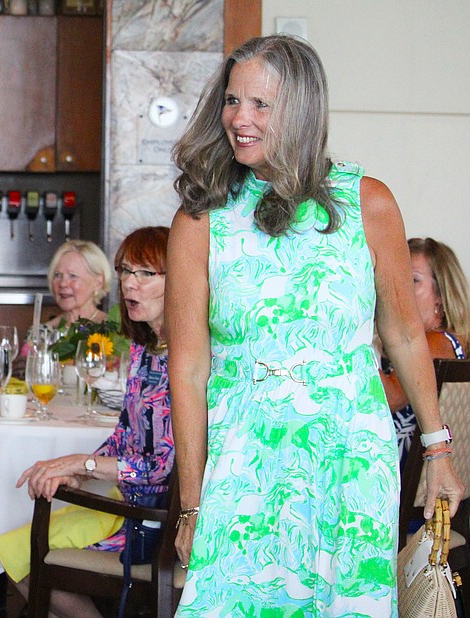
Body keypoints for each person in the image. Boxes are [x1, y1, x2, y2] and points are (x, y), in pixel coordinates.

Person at [166, 35, 464, 615]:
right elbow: (189, 367)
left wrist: (437, 450)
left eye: (260, 105)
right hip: (242, 470)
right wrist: (193, 503)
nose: (238, 119)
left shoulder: (367, 203)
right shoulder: (201, 218)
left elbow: (404, 335)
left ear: (301, 110)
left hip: (351, 464)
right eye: (231, 101)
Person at [0, 226, 173, 617]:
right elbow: (124, 437)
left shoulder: (182, 360)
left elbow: (161, 468)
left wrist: (81, 464)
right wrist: (79, 470)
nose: (130, 284)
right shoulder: (146, 351)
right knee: (12, 552)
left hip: (154, 521)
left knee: (23, 554)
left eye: (146, 274)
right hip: (127, 503)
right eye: (126, 271)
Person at [382, 237, 470, 469]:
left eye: (412, 280)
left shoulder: (434, 343)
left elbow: (392, 399)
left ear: (440, 296)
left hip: (396, 485)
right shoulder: (450, 341)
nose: (400, 289)